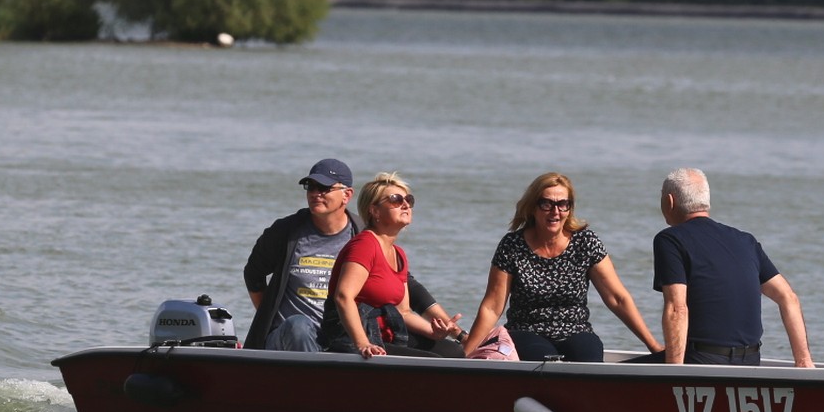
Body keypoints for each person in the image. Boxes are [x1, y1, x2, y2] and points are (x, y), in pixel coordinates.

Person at [243, 158, 452, 352]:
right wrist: (268, 316)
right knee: (299, 325)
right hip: (289, 336)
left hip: (335, 336)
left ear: (347, 195)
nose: (316, 193)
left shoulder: (362, 234)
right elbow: (253, 274)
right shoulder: (286, 231)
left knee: (444, 350)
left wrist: (452, 329)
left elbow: (402, 284)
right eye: (311, 187)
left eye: (324, 188)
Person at [461, 172, 663, 363]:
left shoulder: (586, 242)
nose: (555, 212)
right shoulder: (512, 245)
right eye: (546, 204)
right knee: (544, 361)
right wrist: (465, 355)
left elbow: (618, 299)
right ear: (533, 207)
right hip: (526, 331)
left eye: (562, 204)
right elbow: (491, 307)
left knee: (588, 357)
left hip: (576, 330)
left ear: (570, 208)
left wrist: (654, 346)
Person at [652, 167, 813, 368]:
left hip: (701, 361)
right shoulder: (745, 241)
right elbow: (788, 297)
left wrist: (674, 376)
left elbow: (677, 309)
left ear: (669, 201)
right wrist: (804, 362)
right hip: (751, 362)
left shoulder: (670, 240)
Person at [319, 173, 463, 358]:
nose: (405, 205)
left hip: (385, 334)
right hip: (350, 339)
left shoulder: (398, 254)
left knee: (454, 351)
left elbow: (403, 312)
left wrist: (433, 332)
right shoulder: (365, 245)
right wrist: (363, 344)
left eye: (408, 200)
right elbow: (343, 296)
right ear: (374, 211)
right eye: (396, 200)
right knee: (432, 362)